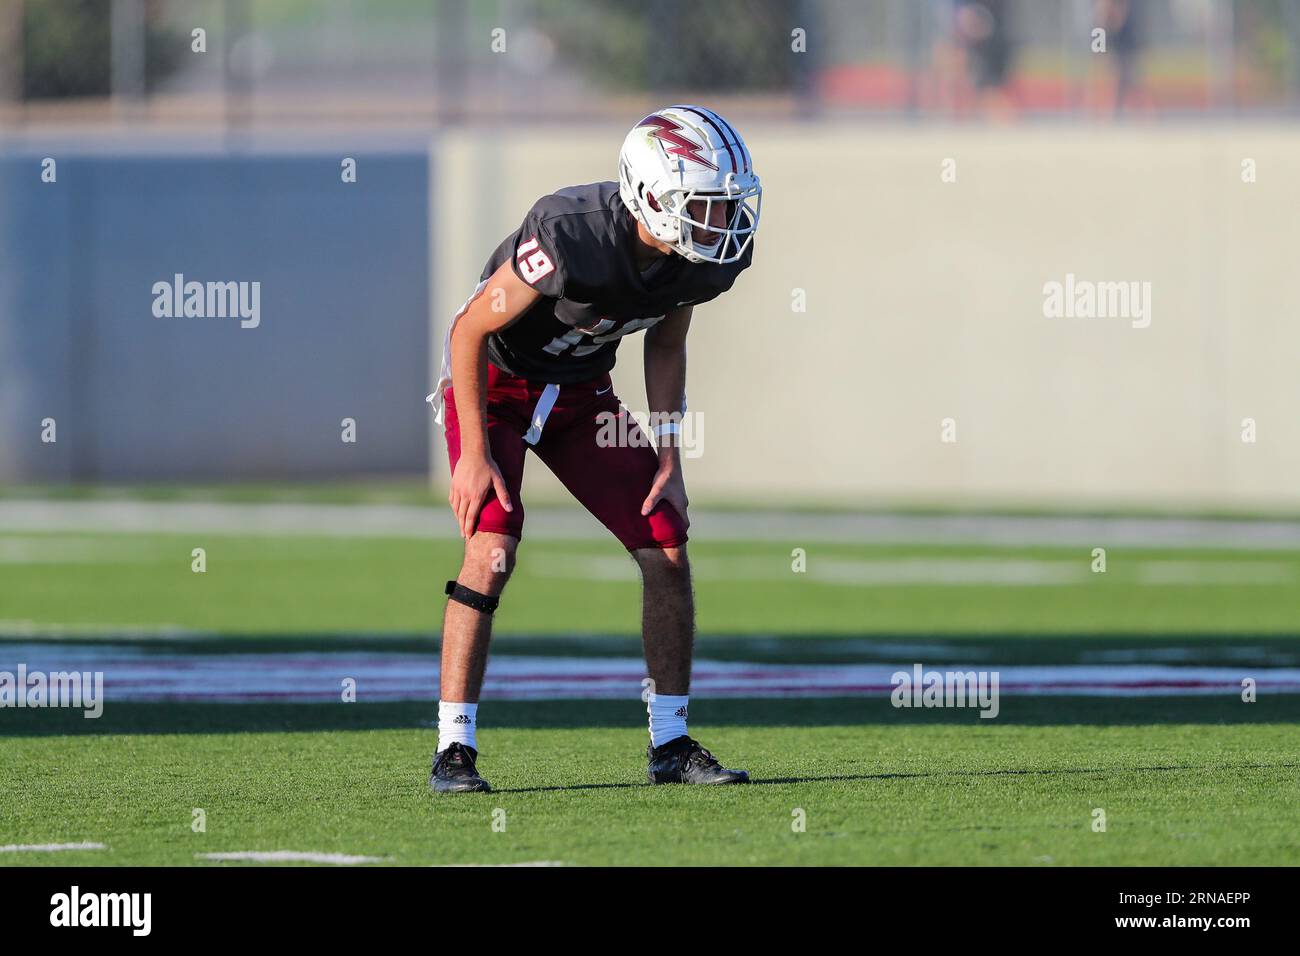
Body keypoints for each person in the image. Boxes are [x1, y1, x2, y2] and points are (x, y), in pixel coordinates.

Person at [427, 105, 761, 792]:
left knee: (667, 542)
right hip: (498, 388)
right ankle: (453, 749)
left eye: (725, 205)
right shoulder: (569, 233)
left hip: (581, 396)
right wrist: (471, 455)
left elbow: (667, 342)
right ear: (651, 195)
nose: (720, 222)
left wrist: (669, 457)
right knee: (493, 547)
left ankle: (670, 743)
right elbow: (466, 331)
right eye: (703, 204)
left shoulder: (696, 262)